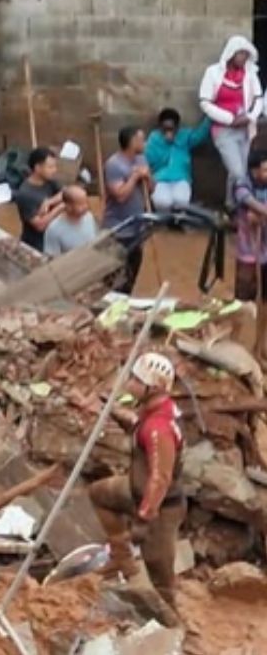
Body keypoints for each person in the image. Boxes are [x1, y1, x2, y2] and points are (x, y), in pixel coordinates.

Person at [89, 352, 184, 628]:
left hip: (161, 507)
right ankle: (123, 559)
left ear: (152, 387)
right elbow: (139, 426)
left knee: (161, 575)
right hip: (136, 489)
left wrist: (144, 518)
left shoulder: (159, 427)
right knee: (100, 494)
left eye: (136, 379)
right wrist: (116, 414)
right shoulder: (155, 410)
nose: (130, 383)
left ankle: (172, 629)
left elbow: (161, 478)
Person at [199, 35, 263, 207]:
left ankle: (231, 205)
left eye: (245, 54)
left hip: (245, 128)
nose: (243, 58)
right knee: (237, 171)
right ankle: (240, 206)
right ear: (231, 54)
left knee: (239, 170)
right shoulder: (213, 73)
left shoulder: (250, 74)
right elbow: (205, 102)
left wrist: (250, 117)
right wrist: (229, 119)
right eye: (240, 54)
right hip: (223, 130)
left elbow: (258, 98)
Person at [102, 126, 153, 294]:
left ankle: (126, 300)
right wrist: (135, 177)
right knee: (114, 276)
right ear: (132, 142)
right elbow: (120, 196)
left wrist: (147, 177)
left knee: (132, 271)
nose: (144, 143)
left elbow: (151, 189)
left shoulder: (142, 159)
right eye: (141, 139)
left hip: (137, 227)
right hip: (118, 229)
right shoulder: (113, 165)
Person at [231, 149, 267, 360]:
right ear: (254, 171)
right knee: (242, 304)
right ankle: (235, 347)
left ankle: (259, 347)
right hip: (247, 253)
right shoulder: (242, 183)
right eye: (264, 169)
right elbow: (245, 200)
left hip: (265, 254)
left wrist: (260, 214)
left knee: (265, 303)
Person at [146, 108, 209, 212]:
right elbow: (150, 160)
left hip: (181, 179)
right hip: (160, 179)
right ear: (160, 127)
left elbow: (200, 135)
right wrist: (166, 144)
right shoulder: (154, 139)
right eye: (165, 129)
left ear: (177, 127)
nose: (168, 132)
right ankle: (165, 221)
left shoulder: (184, 136)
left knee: (180, 202)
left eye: (171, 129)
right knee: (163, 202)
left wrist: (209, 117)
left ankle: (178, 222)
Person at [13, 147, 64, 252]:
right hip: (37, 244)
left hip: (53, 238)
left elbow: (66, 193)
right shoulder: (26, 194)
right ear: (37, 168)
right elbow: (40, 225)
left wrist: (49, 202)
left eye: (55, 166)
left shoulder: (50, 182)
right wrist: (59, 208)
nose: (54, 170)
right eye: (50, 167)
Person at [43, 186, 97, 256]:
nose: (86, 206)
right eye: (81, 204)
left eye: (86, 202)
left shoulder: (89, 217)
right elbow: (52, 259)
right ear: (68, 206)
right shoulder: (54, 229)